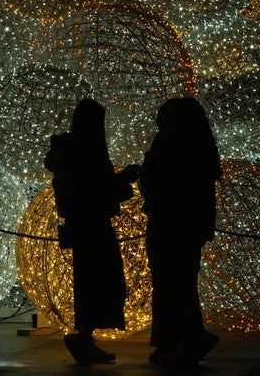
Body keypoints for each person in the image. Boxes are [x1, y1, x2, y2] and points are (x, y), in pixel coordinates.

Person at [44, 98, 140, 365]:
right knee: (97, 282)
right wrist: (121, 180)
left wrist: (118, 181)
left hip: (89, 224)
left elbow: (93, 185)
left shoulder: (78, 148)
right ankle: (82, 339)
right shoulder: (79, 150)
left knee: (100, 283)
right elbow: (87, 190)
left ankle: (85, 339)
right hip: (89, 225)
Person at [138, 97, 222, 367]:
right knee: (178, 285)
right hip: (184, 225)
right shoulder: (201, 147)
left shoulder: (175, 146)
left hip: (171, 224)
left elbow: (159, 183)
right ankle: (172, 341)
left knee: (172, 285)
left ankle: (185, 339)